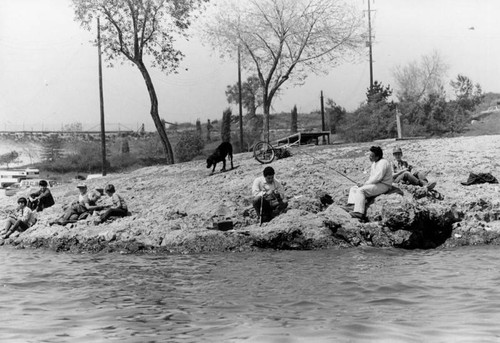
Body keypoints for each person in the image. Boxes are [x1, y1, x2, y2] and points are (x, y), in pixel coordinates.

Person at [347, 146, 393, 220]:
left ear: (377, 157)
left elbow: (377, 178)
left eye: (371, 156)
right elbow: (372, 178)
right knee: (354, 188)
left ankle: (359, 213)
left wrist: (365, 184)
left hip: (384, 185)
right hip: (377, 184)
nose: (370, 157)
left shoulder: (383, 163)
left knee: (361, 190)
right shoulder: (374, 163)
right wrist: (363, 183)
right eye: (369, 155)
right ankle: (353, 206)